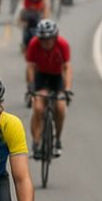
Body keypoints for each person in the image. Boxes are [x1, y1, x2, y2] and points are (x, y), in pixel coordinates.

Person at [25, 19, 72, 158]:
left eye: (49, 39)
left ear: (55, 37)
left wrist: (67, 89)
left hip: (57, 77)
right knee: (38, 108)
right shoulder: (34, 43)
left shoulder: (62, 44)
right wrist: (31, 86)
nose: (46, 42)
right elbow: (30, 67)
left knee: (60, 107)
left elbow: (67, 68)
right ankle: (36, 143)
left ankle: (57, 140)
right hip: (41, 76)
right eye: (43, 39)